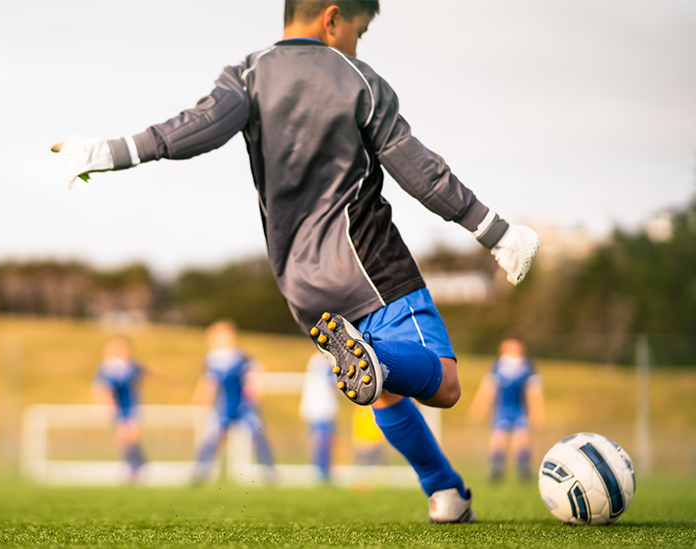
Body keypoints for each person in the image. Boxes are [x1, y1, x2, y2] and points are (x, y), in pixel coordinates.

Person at [51, 0, 538, 521]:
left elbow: (192, 129)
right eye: (359, 30)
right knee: (442, 383)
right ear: (332, 18)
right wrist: (495, 231)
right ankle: (379, 363)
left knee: (383, 392)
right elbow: (421, 171)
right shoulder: (359, 80)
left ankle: (446, 492)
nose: (357, 43)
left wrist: (107, 151)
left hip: (300, 286)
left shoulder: (247, 74)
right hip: (369, 262)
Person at [190, 320, 275, 484]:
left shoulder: (241, 356)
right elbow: (209, 382)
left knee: (258, 433)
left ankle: (268, 471)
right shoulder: (210, 359)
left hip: (244, 405)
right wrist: (200, 397)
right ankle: (200, 471)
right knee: (212, 437)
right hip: (223, 406)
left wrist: (257, 387)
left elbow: (257, 370)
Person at [468, 337, 545, 481]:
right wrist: (479, 406)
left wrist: (537, 409)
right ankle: (496, 468)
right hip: (502, 409)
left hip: (520, 409)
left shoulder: (527, 366)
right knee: (499, 438)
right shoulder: (497, 365)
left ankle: (524, 469)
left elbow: (533, 390)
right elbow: (489, 388)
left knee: (522, 438)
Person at [92, 337, 147, 482]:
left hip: (132, 406)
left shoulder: (133, 366)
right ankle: (137, 463)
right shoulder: (106, 368)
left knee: (131, 436)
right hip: (116, 408)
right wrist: (106, 402)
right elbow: (101, 387)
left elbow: (148, 371)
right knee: (123, 438)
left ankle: (136, 465)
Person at [299, 352, 340, 483]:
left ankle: (322, 471)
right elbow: (333, 382)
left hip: (319, 408)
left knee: (322, 441)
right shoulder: (324, 361)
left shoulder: (317, 360)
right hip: (321, 409)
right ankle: (322, 472)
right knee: (322, 441)